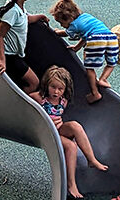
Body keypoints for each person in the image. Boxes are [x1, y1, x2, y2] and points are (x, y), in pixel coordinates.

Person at [29, 66, 109, 199]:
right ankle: (71, 184)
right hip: (45, 131)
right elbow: (23, 103)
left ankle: (91, 159)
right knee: (71, 146)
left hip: (58, 129)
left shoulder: (63, 101)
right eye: (53, 87)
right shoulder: (39, 98)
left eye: (60, 89)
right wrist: (42, 120)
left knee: (75, 126)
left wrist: (58, 123)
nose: (56, 92)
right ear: (46, 84)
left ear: (65, 89)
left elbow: (59, 118)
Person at [50, 0, 119, 104]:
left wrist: (56, 31)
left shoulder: (73, 25)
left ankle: (95, 93)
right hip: (111, 37)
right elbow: (86, 35)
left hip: (97, 39)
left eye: (62, 22)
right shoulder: (86, 16)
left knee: (89, 68)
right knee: (111, 63)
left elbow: (65, 33)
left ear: (70, 18)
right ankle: (103, 79)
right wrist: (77, 47)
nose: (62, 25)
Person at [0, 0, 45, 93]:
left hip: (16, 55)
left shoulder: (18, 7)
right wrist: (2, 60)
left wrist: (39, 17)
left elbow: (25, 19)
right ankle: (16, 104)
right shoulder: (12, 11)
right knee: (34, 83)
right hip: (10, 57)